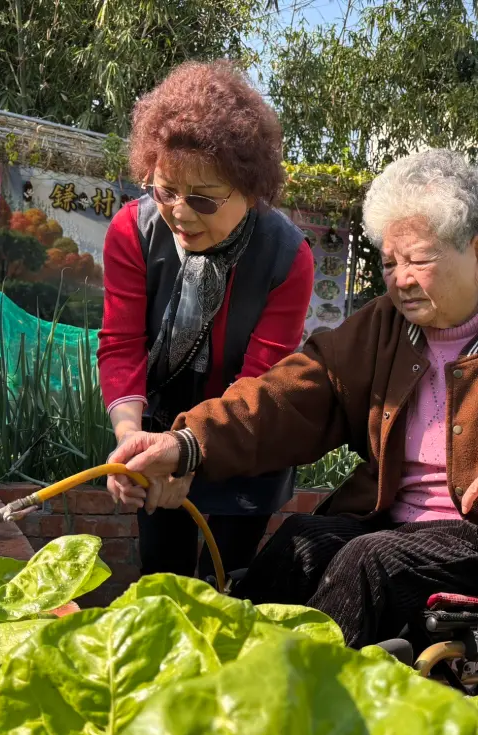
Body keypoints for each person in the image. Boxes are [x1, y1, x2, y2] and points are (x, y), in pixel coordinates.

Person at [109, 149, 478, 649]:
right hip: (390, 524)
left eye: (418, 260)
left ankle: (305, 708)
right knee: (300, 541)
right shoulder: (381, 328)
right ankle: (237, 676)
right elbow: (289, 394)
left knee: (366, 563)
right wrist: (187, 443)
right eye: (389, 263)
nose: (399, 280)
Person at [97, 61, 315, 588]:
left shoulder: (287, 257)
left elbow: (261, 380)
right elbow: (122, 346)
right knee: (162, 578)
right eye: (165, 190)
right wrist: (132, 441)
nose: (181, 213)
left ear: (251, 189)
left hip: (247, 432)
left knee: (228, 581)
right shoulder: (132, 231)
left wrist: (192, 452)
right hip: (159, 425)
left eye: (204, 199)